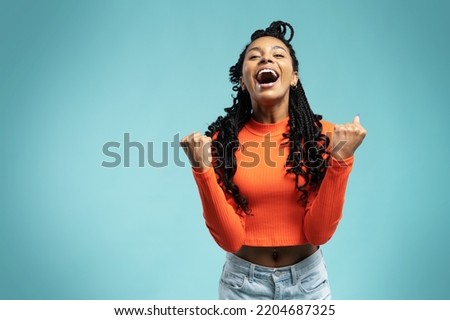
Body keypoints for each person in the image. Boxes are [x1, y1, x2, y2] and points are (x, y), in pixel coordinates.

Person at [180, 21, 366, 300]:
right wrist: (201, 169)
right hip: (241, 286)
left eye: (278, 54)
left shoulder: (326, 137)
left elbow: (319, 232)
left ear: (293, 77)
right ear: (243, 81)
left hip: (307, 284)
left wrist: (341, 159)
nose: (266, 58)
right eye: (254, 56)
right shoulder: (221, 143)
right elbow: (230, 239)